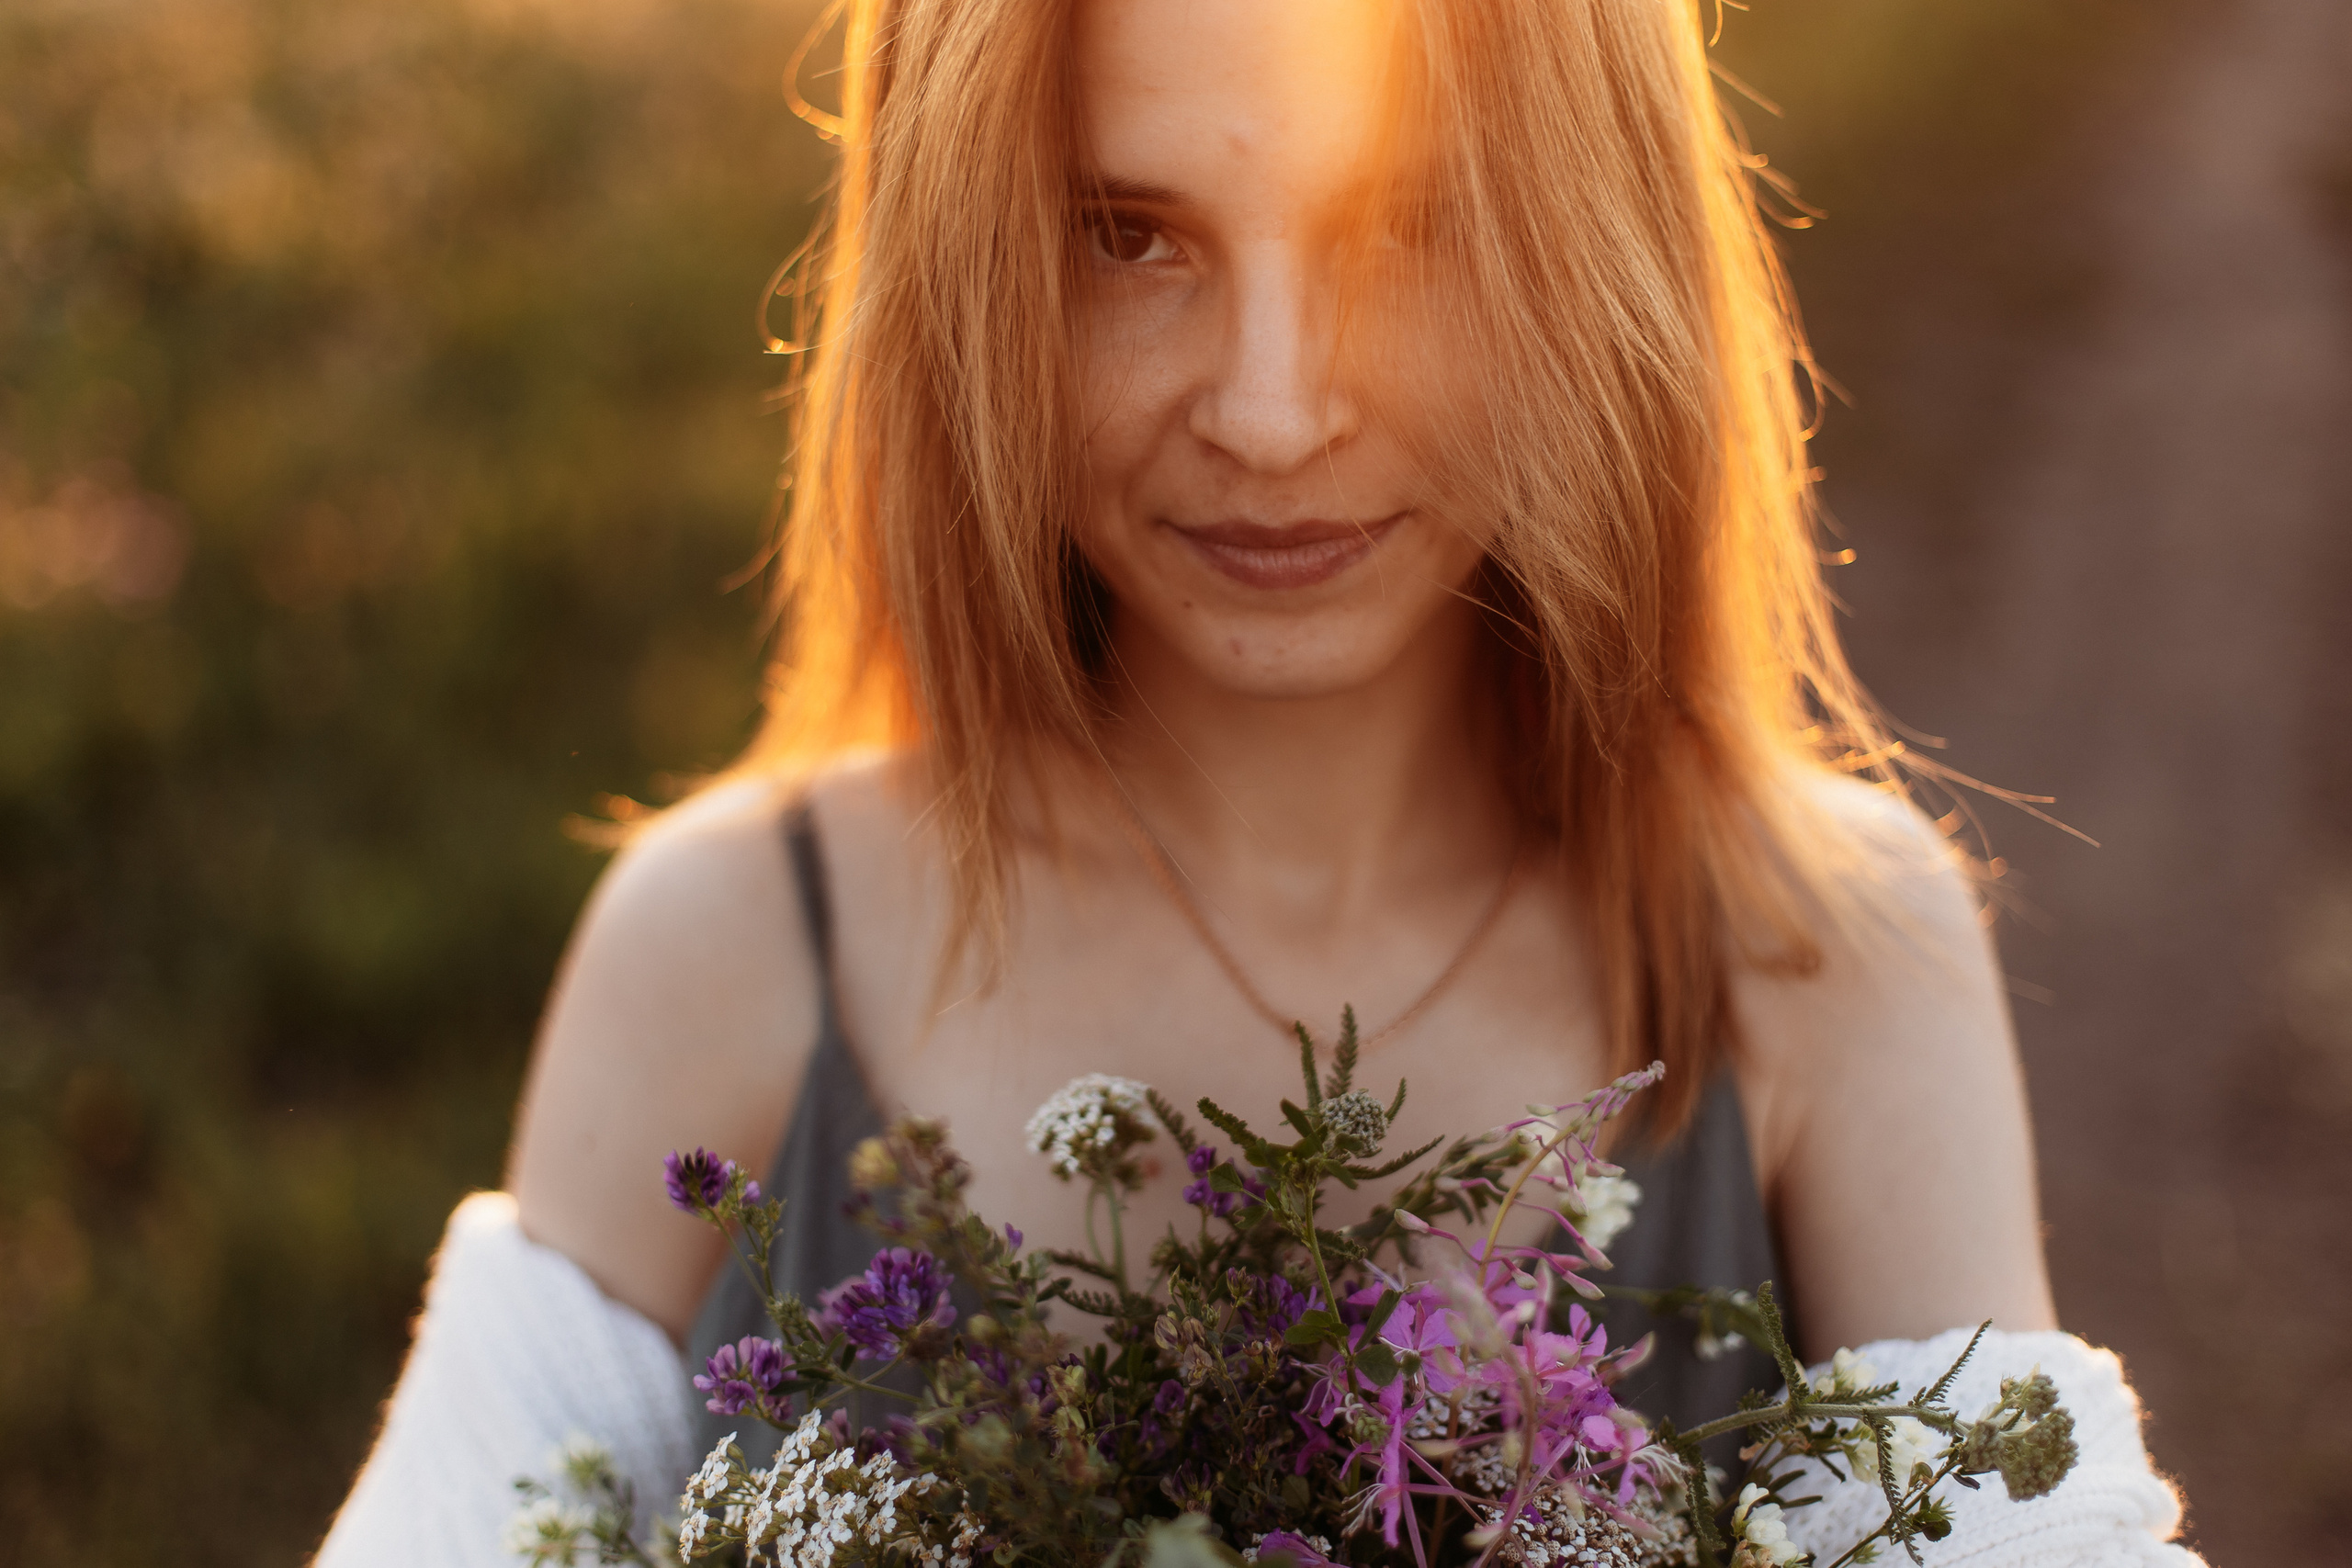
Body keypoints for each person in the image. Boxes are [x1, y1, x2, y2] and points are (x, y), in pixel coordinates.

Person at [316, 0, 2200, 1563]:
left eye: (1414, 225)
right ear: (971, 270)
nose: (1275, 407)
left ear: (1588, 247)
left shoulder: (1812, 958)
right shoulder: (730, 944)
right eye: (1130, 235)